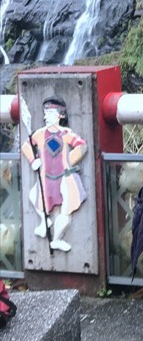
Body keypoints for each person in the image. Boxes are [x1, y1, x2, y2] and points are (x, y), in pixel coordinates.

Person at [21, 96, 87, 252]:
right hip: (46, 178)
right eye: (45, 113)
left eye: (50, 113)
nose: (46, 117)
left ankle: (56, 239)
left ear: (60, 115)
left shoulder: (65, 133)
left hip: (64, 178)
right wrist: (33, 160)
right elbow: (26, 146)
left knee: (66, 211)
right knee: (33, 196)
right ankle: (45, 221)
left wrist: (69, 161)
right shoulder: (40, 134)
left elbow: (82, 146)